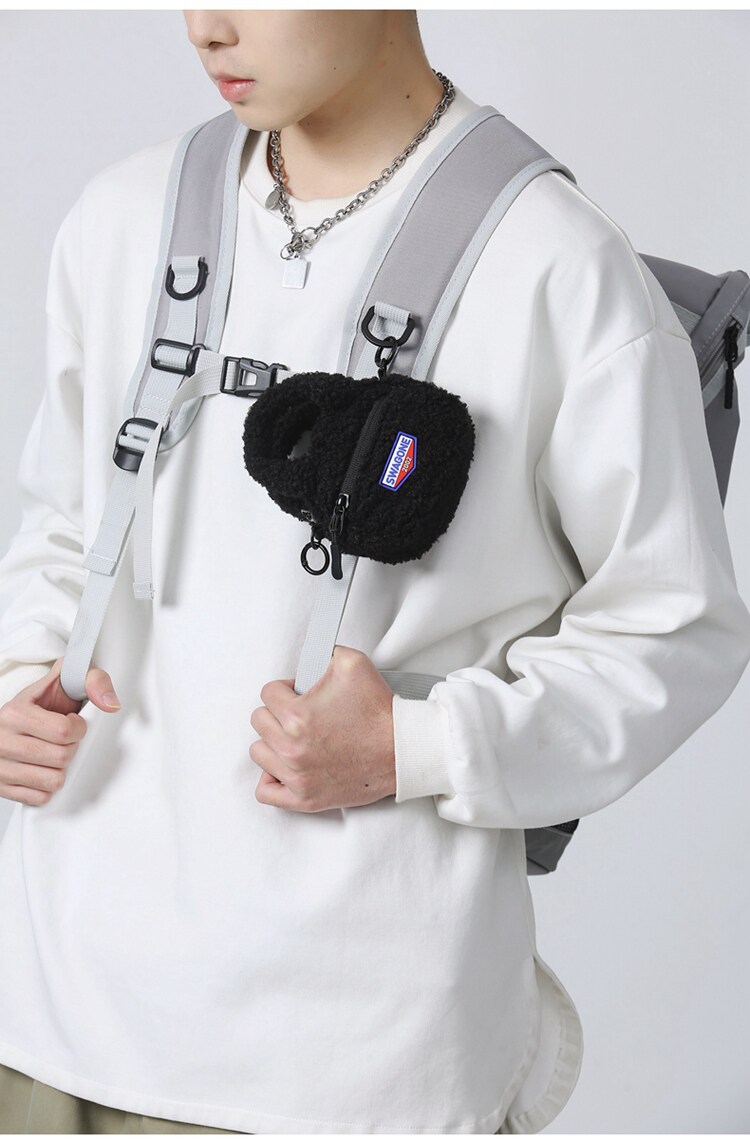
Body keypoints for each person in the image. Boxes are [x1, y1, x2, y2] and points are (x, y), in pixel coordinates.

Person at [0, 9, 749, 1136]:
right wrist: (21, 672)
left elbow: (675, 627)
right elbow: (65, 517)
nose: (207, 26)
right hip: (46, 999)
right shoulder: (121, 217)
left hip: (343, 1060)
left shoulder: (555, 264)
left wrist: (418, 748)